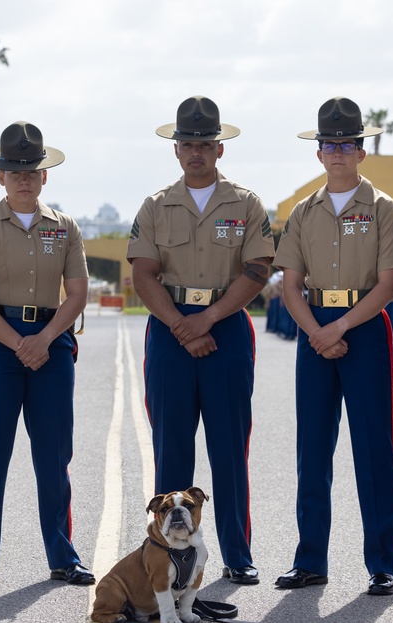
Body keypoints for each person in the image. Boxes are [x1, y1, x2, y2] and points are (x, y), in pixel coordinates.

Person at [126, 96, 274, 585]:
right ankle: (168, 555)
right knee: (171, 449)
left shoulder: (247, 204)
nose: (196, 152)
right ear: (176, 149)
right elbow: (144, 275)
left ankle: (236, 553)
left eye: (205, 144)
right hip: (171, 331)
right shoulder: (155, 206)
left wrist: (207, 318)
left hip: (226, 327)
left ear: (219, 149)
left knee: (229, 447)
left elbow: (256, 271)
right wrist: (181, 326)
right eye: (187, 143)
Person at [273, 97, 393, 595]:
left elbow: (389, 282)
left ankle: (383, 564)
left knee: (374, 448)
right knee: (313, 450)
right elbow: (290, 284)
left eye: (347, 144)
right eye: (329, 144)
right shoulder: (303, 212)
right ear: (319, 152)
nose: (338, 152)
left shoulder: (383, 208)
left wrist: (341, 327)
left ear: (361, 151)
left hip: (364, 327)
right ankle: (310, 561)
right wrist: (315, 332)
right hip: (314, 330)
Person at [0, 121, 92, 589]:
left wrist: (44, 338)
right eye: (13, 170)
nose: (22, 178)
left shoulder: (66, 227)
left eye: (31, 170)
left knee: (54, 455)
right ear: (0, 176)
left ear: (44, 176)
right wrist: (19, 342)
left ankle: (62, 555)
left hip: (52, 340)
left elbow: (77, 292)